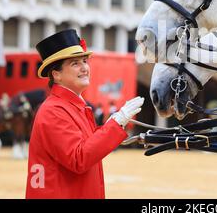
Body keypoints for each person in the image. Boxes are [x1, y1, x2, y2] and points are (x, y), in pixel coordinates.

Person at [25, 29, 144, 199]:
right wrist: (116, 122)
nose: (84, 68)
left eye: (85, 61)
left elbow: (88, 147)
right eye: (75, 63)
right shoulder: (53, 111)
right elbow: (79, 158)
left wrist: (115, 123)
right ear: (56, 74)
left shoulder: (72, 105)